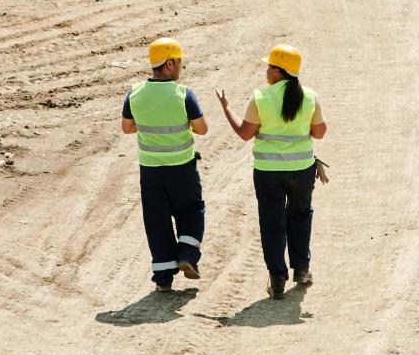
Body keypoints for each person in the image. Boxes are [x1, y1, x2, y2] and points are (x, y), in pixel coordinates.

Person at [215, 44, 327, 299]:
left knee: (272, 222)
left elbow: (245, 134)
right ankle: (302, 269)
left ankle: (277, 278)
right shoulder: (310, 96)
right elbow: (319, 132)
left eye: (269, 67)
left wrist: (226, 108)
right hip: (302, 170)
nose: (266, 71)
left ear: (278, 71)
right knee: (300, 215)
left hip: (268, 172)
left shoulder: (261, 97)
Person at [122, 37, 208, 293]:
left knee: (156, 221)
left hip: (150, 170)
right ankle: (187, 254)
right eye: (179, 62)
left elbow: (127, 128)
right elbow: (202, 129)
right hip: (181, 167)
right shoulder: (183, 94)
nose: (181, 67)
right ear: (170, 63)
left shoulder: (135, 93)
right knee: (192, 211)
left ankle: (163, 279)